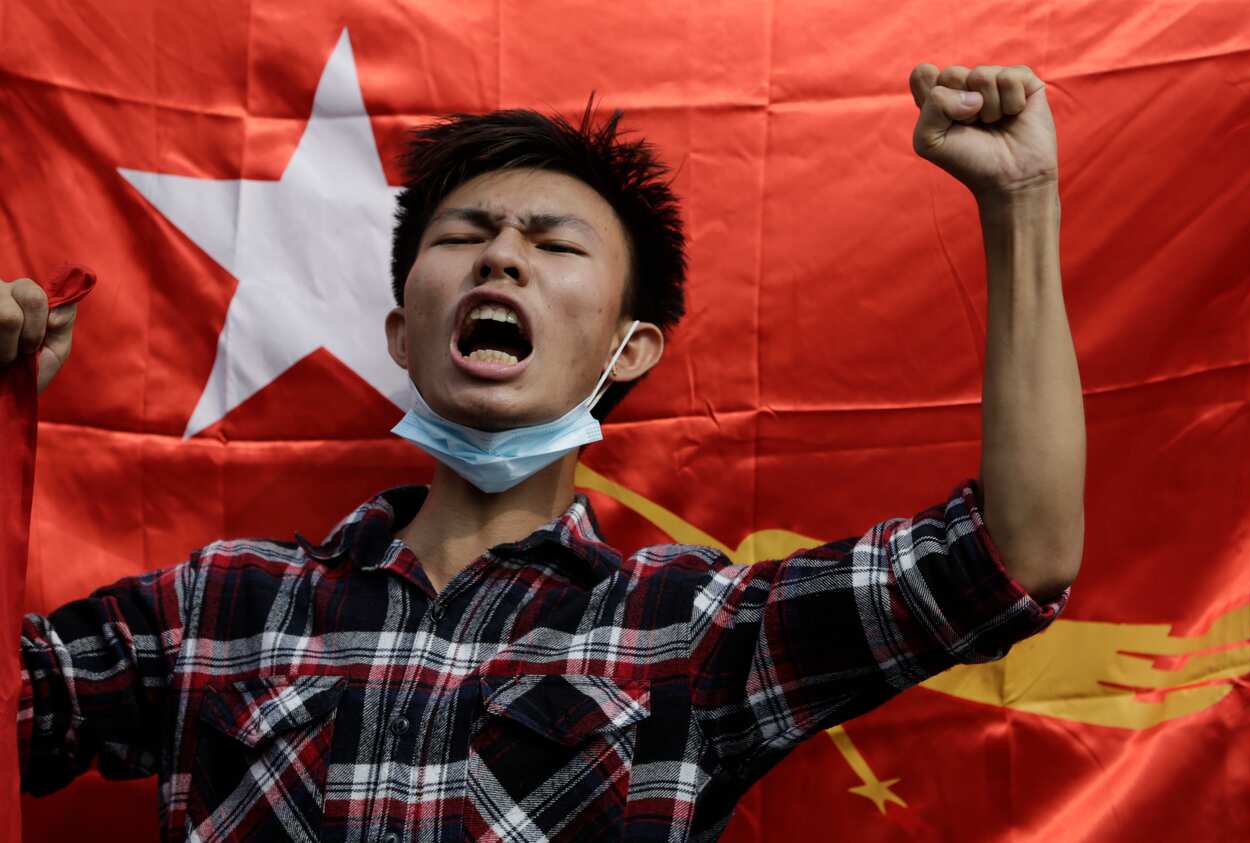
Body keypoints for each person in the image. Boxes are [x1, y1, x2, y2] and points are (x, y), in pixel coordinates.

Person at [5, 62, 1085, 842]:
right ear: (400, 330)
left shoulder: (689, 629)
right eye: (465, 236)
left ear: (629, 348)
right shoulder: (219, 606)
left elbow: (1010, 560)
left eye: (554, 244)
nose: (504, 259)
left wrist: (1019, 204)